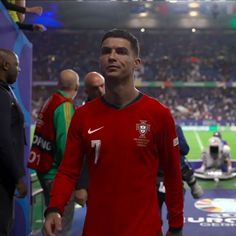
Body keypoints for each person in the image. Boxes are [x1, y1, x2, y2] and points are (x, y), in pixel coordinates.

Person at [43, 29, 184, 236]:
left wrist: (176, 225)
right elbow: (68, 171)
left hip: (144, 229)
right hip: (97, 229)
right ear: (100, 60)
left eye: (121, 51)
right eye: (106, 51)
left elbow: (172, 174)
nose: (112, 56)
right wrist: (54, 208)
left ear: (136, 62)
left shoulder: (159, 114)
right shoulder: (83, 116)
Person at [28, 69, 80, 236]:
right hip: (56, 175)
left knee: (51, 225)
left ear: (58, 84)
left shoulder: (51, 100)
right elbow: (66, 145)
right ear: (77, 87)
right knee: (60, 228)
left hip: (44, 169)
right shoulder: (64, 106)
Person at [0, 48, 27, 235]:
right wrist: (17, 176)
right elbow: (3, 139)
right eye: (17, 65)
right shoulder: (2, 95)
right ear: (5, 65)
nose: (19, 69)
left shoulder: (5, 92)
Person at [157, 125, 203, 223]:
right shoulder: (175, 128)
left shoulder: (148, 127)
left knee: (154, 219)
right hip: (173, 177)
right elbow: (185, 149)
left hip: (154, 178)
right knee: (175, 219)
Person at [74, 71, 105, 206]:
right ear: (86, 91)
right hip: (94, 182)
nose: (100, 90)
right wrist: (81, 185)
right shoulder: (82, 116)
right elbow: (78, 153)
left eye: (102, 85)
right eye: (94, 88)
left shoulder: (118, 108)